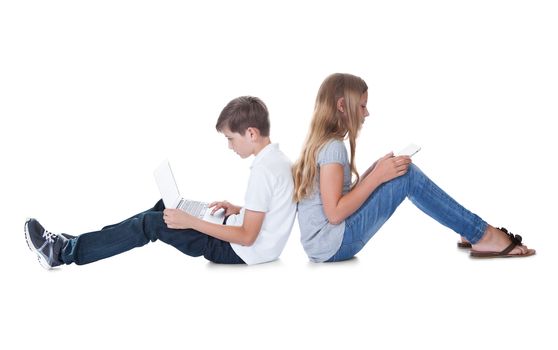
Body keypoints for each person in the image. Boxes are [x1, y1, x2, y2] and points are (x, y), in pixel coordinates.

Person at [25, 96, 297, 269]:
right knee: (162, 207)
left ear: (250, 132)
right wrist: (238, 208)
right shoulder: (277, 160)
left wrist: (191, 222)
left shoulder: (263, 171)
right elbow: (269, 211)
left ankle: (61, 252)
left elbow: (248, 237)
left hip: (236, 252)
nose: (229, 146)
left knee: (152, 223)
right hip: (246, 241)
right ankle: (82, 242)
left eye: (230, 138)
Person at [292, 73, 535, 262]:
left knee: (397, 170)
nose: (367, 113)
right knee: (406, 174)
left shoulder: (322, 143)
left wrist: (374, 171)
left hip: (324, 245)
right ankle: (481, 234)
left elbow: (333, 200)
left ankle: (467, 230)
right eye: (362, 106)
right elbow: (335, 213)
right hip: (334, 244)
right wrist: (377, 177)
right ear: (342, 105)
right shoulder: (334, 148)